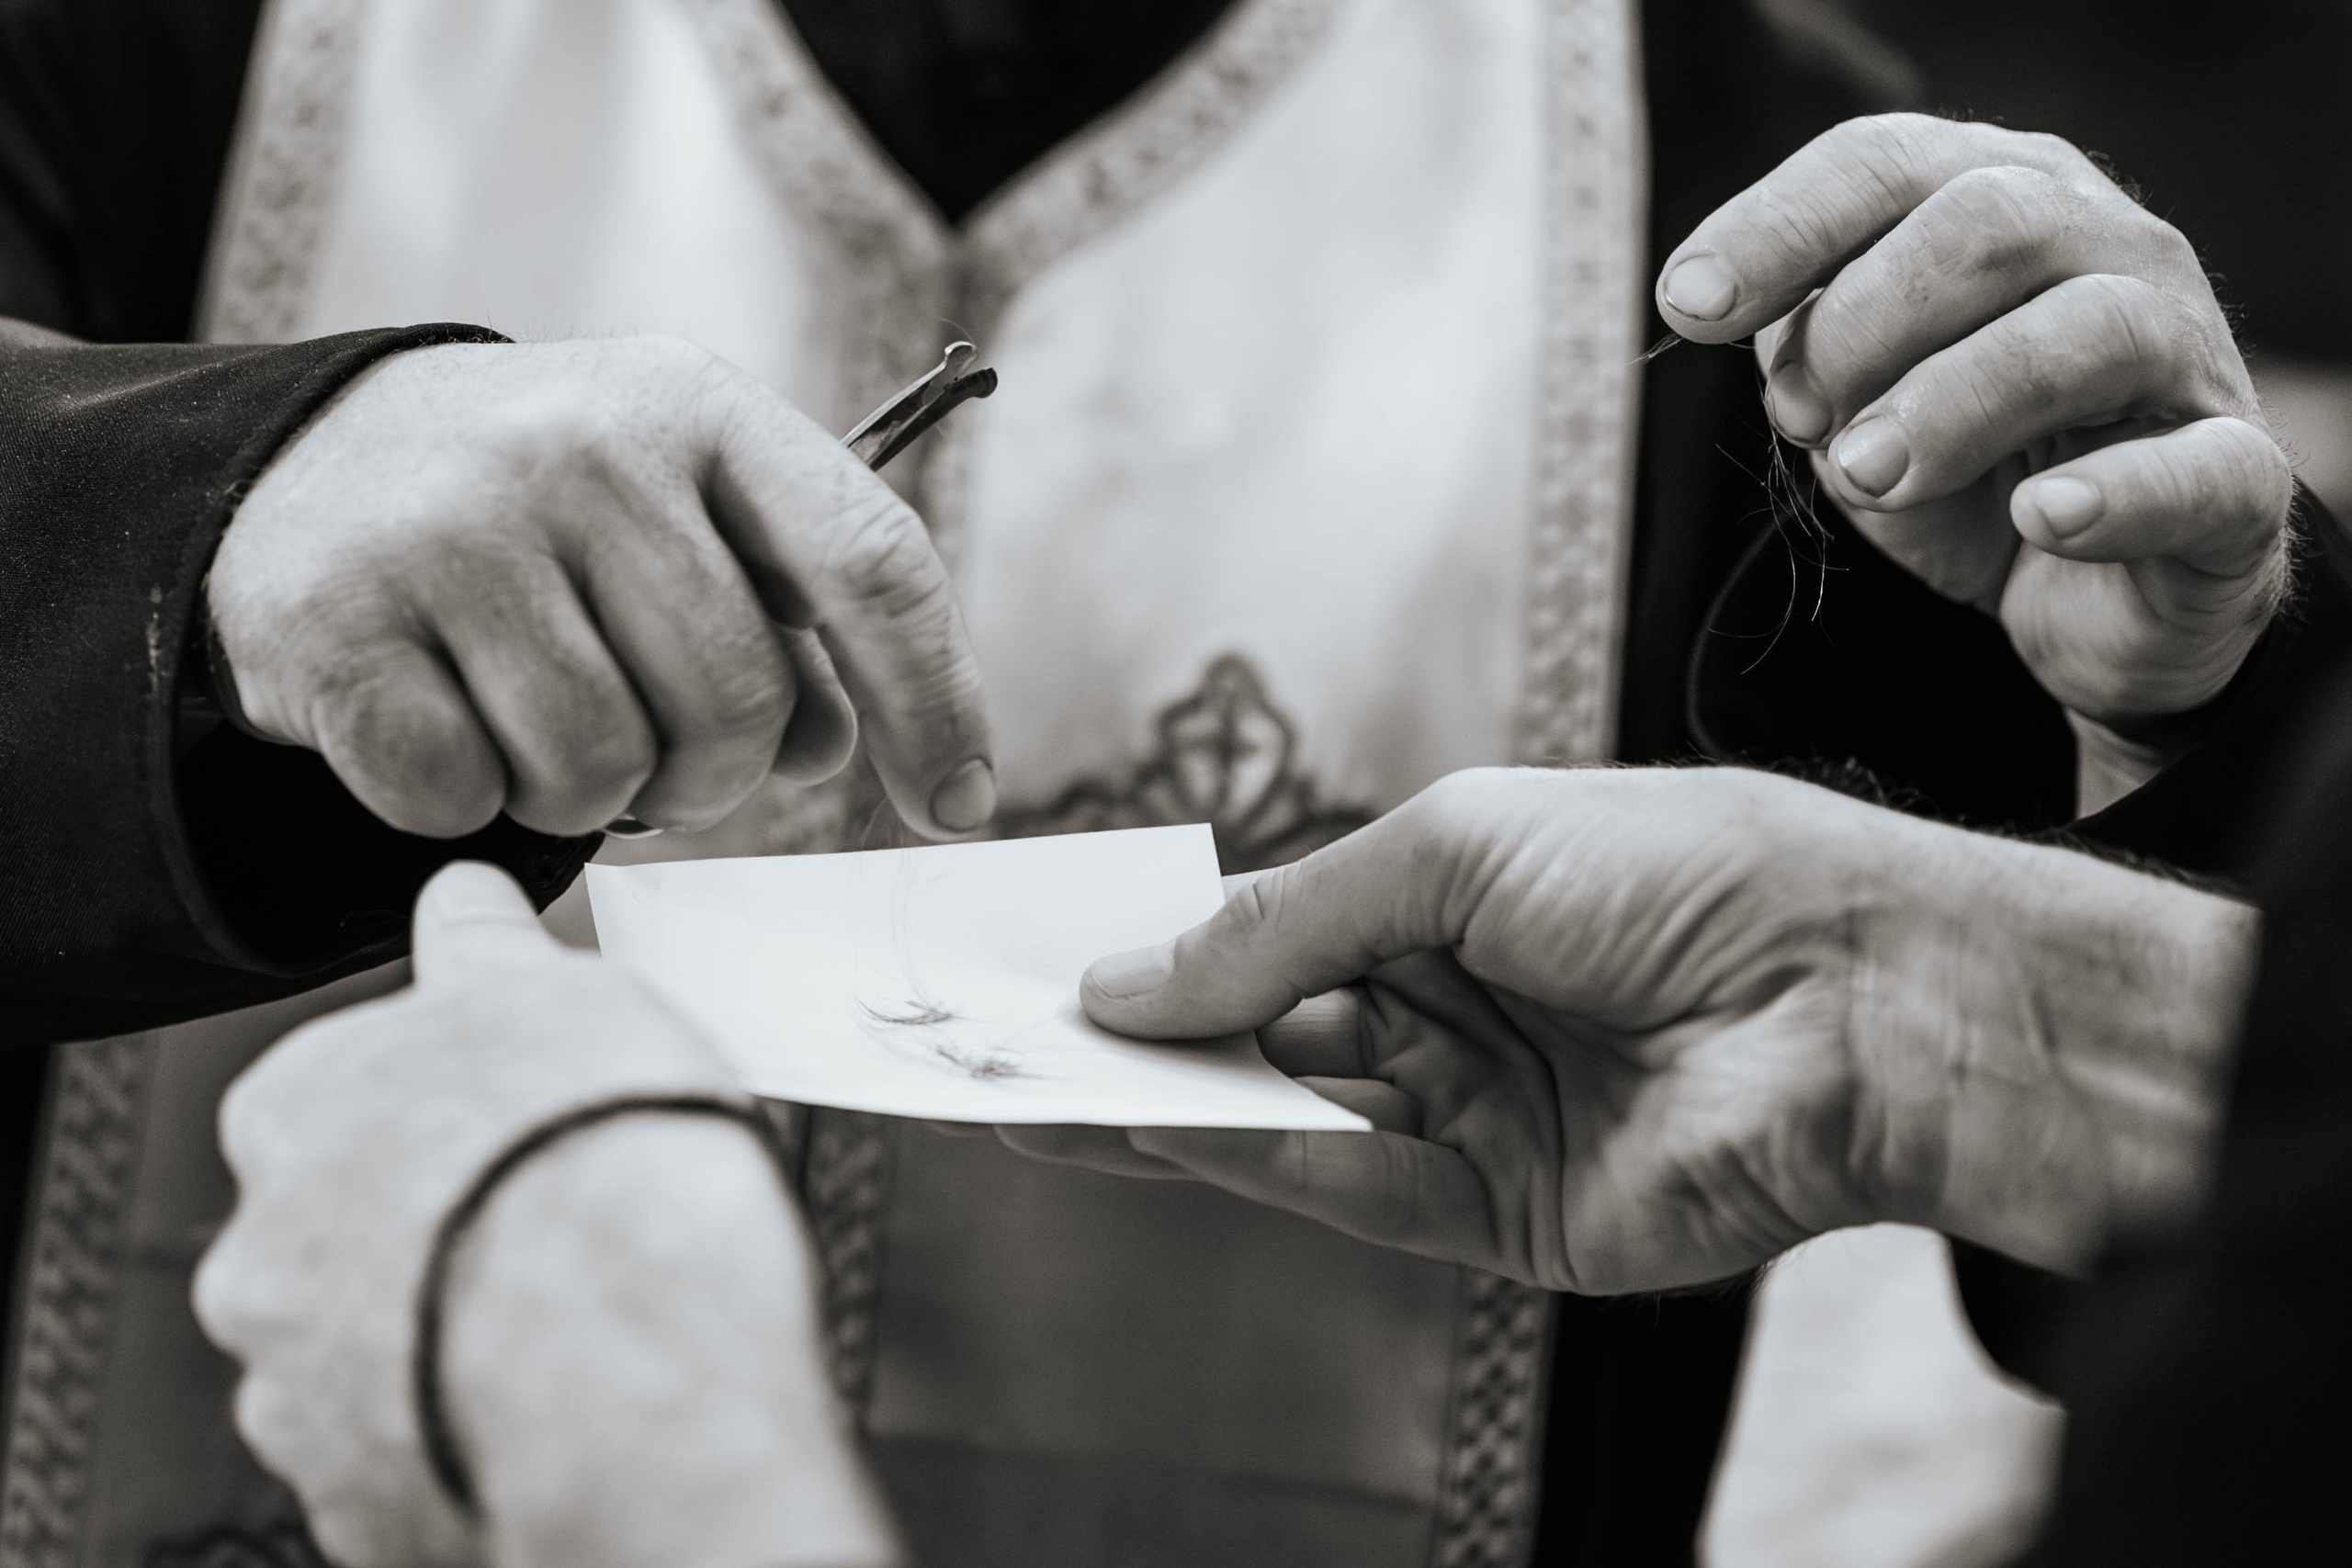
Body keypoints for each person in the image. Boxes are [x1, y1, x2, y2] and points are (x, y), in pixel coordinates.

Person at [0, 3, 2324, 1562]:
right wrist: (206, 504)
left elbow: (2238, 1303)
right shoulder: (146, 47)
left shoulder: (1761, 189)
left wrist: (2186, 701)